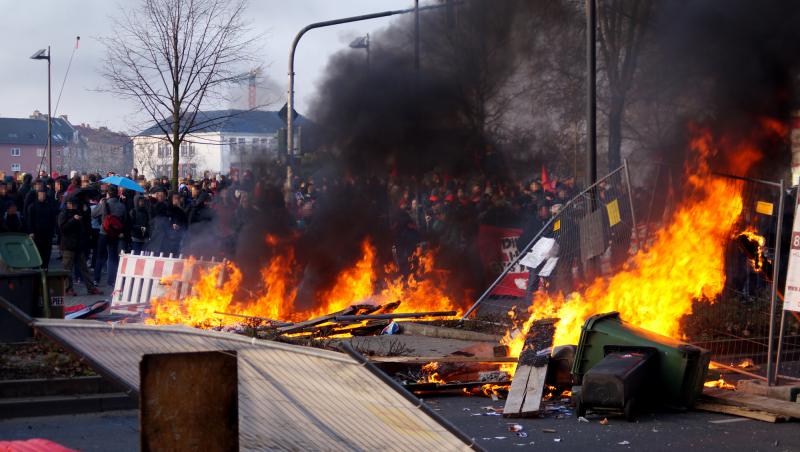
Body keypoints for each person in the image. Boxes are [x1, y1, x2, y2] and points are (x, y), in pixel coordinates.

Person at [59, 200, 102, 296]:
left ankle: (91, 288)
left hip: (78, 245)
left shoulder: (78, 212)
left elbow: (83, 227)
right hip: (68, 245)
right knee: (67, 269)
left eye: (75, 204)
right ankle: (68, 289)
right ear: (69, 204)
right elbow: (63, 229)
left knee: (84, 268)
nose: (75, 206)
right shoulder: (63, 214)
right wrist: (73, 220)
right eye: (73, 204)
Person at [92, 185, 128, 286]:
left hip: (103, 232)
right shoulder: (121, 206)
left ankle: (96, 279)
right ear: (117, 193)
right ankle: (111, 280)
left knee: (100, 256)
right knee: (112, 257)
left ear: (108, 193)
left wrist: (100, 203)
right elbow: (125, 220)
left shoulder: (104, 203)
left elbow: (94, 214)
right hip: (115, 234)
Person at [25, 188, 57, 268]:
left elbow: (52, 220)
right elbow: (29, 220)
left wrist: (52, 232)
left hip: (47, 234)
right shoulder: (32, 206)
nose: (42, 196)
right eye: (40, 194)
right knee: (37, 253)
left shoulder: (49, 206)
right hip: (37, 234)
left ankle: (45, 269)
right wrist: (31, 232)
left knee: (46, 253)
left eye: (43, 195)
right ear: (37, 195)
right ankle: (36, 271)